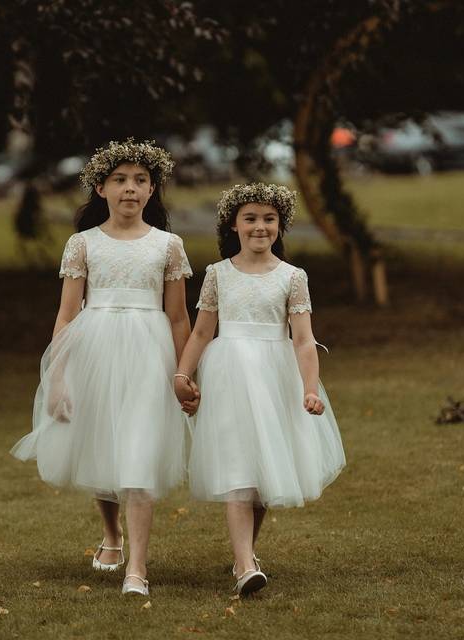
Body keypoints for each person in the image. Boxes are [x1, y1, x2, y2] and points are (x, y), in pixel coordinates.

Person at [11, 139, 193, 597]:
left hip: (150, 353)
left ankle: (137, 569)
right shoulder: (83, 244)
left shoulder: (168, 246)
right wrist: (57, 378)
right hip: (96, 350)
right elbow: (67, 315)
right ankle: (111, 535)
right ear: (101, 188)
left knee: (138, 448)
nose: (130, 189)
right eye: (120, 181)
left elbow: (177, 317)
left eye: (140, 181)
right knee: (105, 442)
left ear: (152, 190)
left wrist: (187, 370)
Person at [173, 183, 346, 596]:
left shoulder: (292, 277)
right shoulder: (218, 274)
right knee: (237, 465)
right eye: (250, 218)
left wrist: (309, 388)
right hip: (230, 372)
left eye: (269, 219)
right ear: (234, 224)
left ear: (280, 225)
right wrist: (182, 374)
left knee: (265, 471)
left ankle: (244, 553)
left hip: (275, 374)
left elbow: (303, 340)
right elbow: (200, 331)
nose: (259, 227)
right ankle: (245, 567)